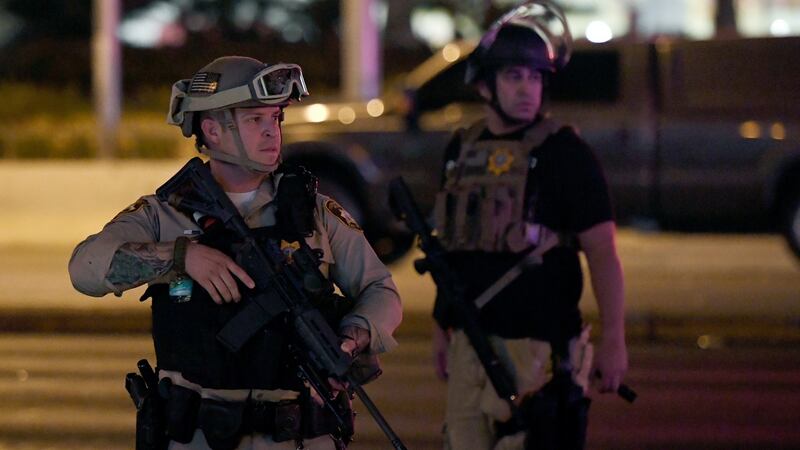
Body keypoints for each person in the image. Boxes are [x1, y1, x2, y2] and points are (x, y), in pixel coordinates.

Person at [68, 56, 402, 450]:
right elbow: (84, 268)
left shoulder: (313, 212)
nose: (271, 132)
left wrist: (355, 334)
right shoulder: (164, 213)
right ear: (212, 130)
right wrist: (181, 257)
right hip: (199, 436)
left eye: (275, 119)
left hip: (296, 436)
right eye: (253, 120)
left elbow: (381, 289)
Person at [430, 2, 628, 449]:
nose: (528, 89)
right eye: (514, 76)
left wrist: (615, 339)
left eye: (536, 77)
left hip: (541, 349)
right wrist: (442, 329)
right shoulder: (461, 149)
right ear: (484, 85)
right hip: (471, 344)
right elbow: (451, 248)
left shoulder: (566, 153)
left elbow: (602, 252)